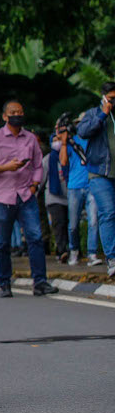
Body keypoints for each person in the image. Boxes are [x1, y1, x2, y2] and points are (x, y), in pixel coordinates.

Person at [0, 100, 58, 297]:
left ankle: (40, 282)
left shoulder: (30, 139)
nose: (17, 115)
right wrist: (6, 167)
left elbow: (38, 166)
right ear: (5, 116)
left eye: (20, 112)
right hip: (2, 197)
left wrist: (34, 186)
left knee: (35, 239)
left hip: (26, 195)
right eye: (13, 112)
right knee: (2, 243)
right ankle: (4, 283)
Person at [75, 82, 115, 279]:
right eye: (111, 98)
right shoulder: (93, 114)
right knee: (108, 213)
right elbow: (83, 132)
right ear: (104, 97)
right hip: (100, 174)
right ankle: (112, 259)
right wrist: (103, 114)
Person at [60, 116, 101, 266]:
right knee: (73, 224)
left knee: (94, 221)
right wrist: (64, 142)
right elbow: (63, 161)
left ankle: (92, 253)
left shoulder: (94, 140)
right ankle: (74, 251)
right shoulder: (72, 142)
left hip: (92, 184)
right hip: (74, 186)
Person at [46, 123, 70, 262]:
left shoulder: (68, 154)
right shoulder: (47, 159)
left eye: (58, 140)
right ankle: (61, 251)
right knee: (59, 224)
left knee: (69, 225)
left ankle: (70, 250)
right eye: (54, 140)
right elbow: (40, 179)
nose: (57, 143)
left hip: (68, 194)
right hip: (53, 197)